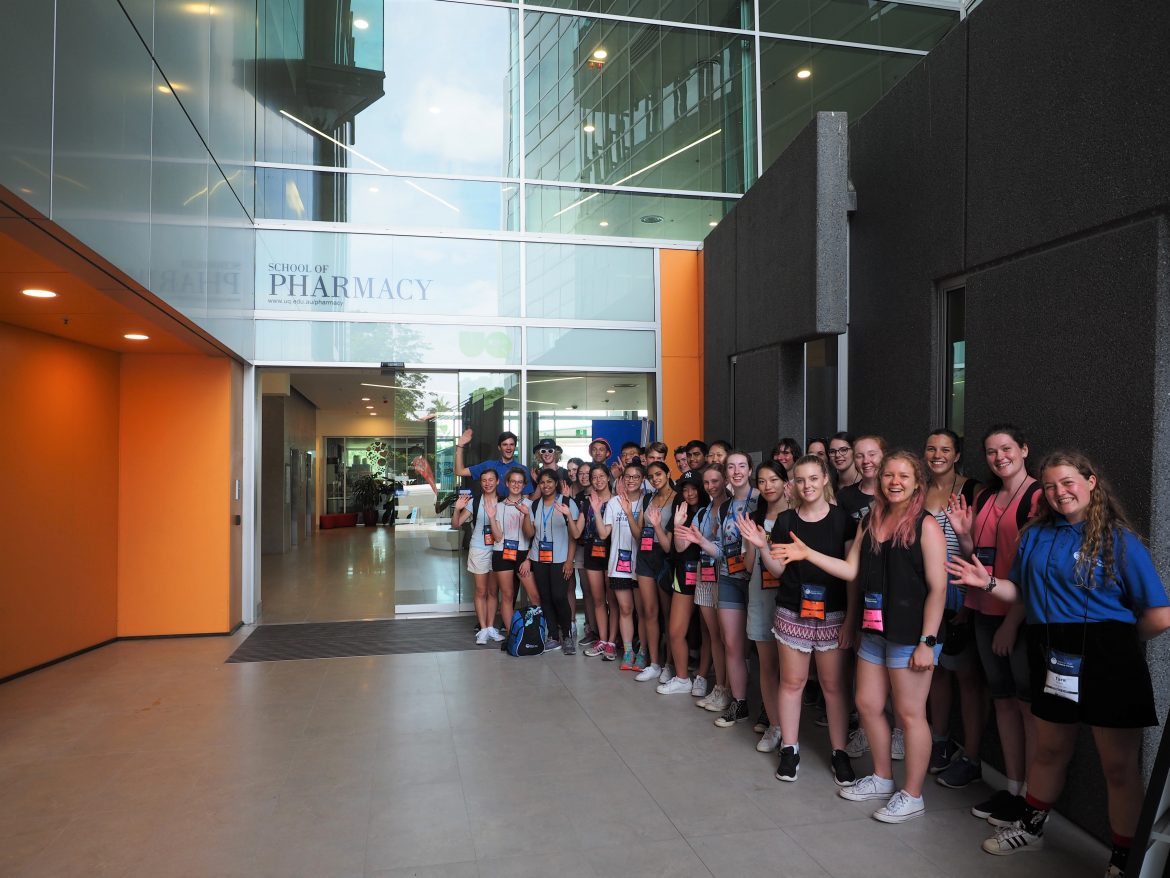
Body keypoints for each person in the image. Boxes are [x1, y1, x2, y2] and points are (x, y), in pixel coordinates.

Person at [947, 451, 1170, 876]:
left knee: (1118, 766)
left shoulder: (1118, 539)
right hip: (1052, 653)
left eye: (1067, 482)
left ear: (1090, 482)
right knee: (1048, 748)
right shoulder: (1035, 536)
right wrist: (990, 584)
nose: (1058, 492)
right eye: (1049, 486)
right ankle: (1031, 830)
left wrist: (1117, 644)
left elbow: (1160, 615)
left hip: (1110, 657)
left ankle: (1125, 859)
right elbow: (1024, 595)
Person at [776, 450, 947, 823]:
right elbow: (851, 569)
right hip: (874, 629)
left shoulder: (926, 525)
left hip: (911, 635)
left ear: (917, 482)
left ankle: (913, 794)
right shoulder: (872, 519)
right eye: (889, 476)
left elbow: (938, 589)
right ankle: (883, 778)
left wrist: (928, 641)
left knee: (910, 714)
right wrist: (808, 553)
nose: (895, 482)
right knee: (867, 704)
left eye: (903, 476)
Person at [740, 454, 858, 784]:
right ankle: (790, 749)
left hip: (833, 613)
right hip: (792, 611)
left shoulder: (843, 521)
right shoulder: (786, 522)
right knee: (792, 684)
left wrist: (850, 620)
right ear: (795, 484)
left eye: (813, 479)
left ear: (824, 481)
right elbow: (779, 570)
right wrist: (762, 546)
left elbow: (852, 575)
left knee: (834, 687)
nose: (807, 485)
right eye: (801, 480)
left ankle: (839, 752)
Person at [949, 424, 1042, 827]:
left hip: (1015, 617)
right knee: (1002, 702)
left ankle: (1035, 801)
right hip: (984, 609)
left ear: (1024, 448)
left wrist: (1011, 624)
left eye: (1006, 448)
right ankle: (1014, 787)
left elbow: (1032, 571)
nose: (999, 457)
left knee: (1027, 707)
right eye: (990, 451)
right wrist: (964, 537)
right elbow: (978, 557)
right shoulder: (986, 495)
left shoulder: (1038, 496)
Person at [921, 428, 986, 788]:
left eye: (945, 449)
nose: (937, 455)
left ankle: (973, 756)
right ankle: (941, 742)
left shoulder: (972, 490)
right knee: (937, 672)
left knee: (968, 678)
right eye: (931, 449)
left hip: (962, 593)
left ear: (957, 454)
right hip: (929, 594)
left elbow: (979, 547)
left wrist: (971, 603)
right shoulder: (919, 490)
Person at [681, 450, 756, 728]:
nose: (736, 471)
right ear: (728, 474)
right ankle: (739, 702)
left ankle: (768, 713)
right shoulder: (724, 509)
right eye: (732, 467)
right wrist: (702, 542)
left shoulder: (761, 498)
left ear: (749, 470)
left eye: (742, 466)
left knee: (761, 648)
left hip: (758, 581)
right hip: (727, 577)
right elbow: (720, 550)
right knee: (731, 642)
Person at [739, 461, 790, 754]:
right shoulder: (754, 517)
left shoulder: (795, 516)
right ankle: (775, 725)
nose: (768, 486)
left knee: (791, 673)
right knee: (767, 667)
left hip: (789, 599)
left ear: (785, 482)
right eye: (763, 481)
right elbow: (747, 566)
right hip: (759, 595)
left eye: (774, 479)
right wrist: (751, 543)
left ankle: (791, 727)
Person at [523, 468, 582, 653]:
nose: (546, 485)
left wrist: (569, 561)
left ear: (556, 483)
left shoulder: (567, 502)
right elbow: (531, 534)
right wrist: (525, 515)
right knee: (545, 598)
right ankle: (553, 636)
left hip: (560, 559)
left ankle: (567, 635)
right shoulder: (534, 505)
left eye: (549, 482)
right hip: (539, 558)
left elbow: (574, 536)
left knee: (559, 596)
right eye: (542, 482)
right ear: (539, 485)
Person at [595, 463, 647, 669]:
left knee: (642, 612)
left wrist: (629, 513)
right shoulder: (614, 502)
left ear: (643, 480)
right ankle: (628, 652)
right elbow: (603, 534)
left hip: (641, 566)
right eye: (628, 477)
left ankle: (643, 651)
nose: (631, 480)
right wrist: (596, 512)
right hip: (618, 565)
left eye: (636, 477)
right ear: (622, 479)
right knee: (625, 609)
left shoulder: (646, 502)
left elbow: (640, 537)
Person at [659, 470, 704, 694]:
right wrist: (677, 524)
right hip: (684, 575)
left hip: (711, 577)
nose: (689, 493)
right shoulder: (681, 511)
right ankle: (682, 677)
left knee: (711, 635)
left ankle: (704, 678)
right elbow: (677, 547)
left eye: (693, 488)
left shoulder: (712, 510)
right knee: (676, 631)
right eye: (685, 489)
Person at [629, 461, 674, 682]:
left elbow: (669, 545)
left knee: (668, 615)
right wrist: (629, 513)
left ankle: (669, 664)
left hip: (665, 557)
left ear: (668, 474)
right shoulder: (648, 498)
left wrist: (657, 526)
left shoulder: (677, 498)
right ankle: (654, 663)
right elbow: (638, 534)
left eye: (659, 474)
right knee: (649, 611)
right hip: (645, 555)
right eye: (651, 476)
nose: (655, 478)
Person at [452, 469, 506, 643]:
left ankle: (491, 627)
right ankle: (482, 628)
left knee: (493, 591)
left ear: (498, 482)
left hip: (498, 549)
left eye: (491, 480)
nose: (488, 483)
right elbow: (456, 525)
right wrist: (457, 509)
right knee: (481, 590)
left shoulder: (504, 502)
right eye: (484, 480)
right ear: (480, 483)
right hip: (479, 549)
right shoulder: (474, 503)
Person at [489, 466, 539, 627]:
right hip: (502, 553)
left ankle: (538, 632)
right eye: (513, 481)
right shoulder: (498, 506)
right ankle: (512, 635)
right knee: (508, 596)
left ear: (524, 485)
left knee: (535, 596)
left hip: (524, 555)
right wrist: (491, 518)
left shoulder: (532, 505)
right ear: (507, 483)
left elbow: (534, 535)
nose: (516, 485)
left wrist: (529, 559)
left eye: (520, 482)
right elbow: (497, 537)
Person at [581, 464, 616, 659]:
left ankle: (612, 640)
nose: (598, 480)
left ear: (608, 477)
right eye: (594, 477)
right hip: (592, 553)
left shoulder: (618, 500)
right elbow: (580, 531)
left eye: (602, 476)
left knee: (613, 600)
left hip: (612, 553)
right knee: (598, 599)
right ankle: (602, 639)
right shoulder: (588, 502)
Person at [454, 428, 535, 497]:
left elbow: (525, 498)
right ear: (499, 447)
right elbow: (459, 471)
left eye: (512, 444)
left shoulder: (523, 470)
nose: (508, 448)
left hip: (513, 513)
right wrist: (460, 445)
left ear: (514, 447)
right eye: (505, 444)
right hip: (490, 511)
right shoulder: (488, 465)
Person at [837, 435, 886, 523]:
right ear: (854, 461)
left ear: (884, 456)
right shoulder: (844, 496)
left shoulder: (895, 493)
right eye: (859, 456)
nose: (866, 461)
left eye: (872, 454)